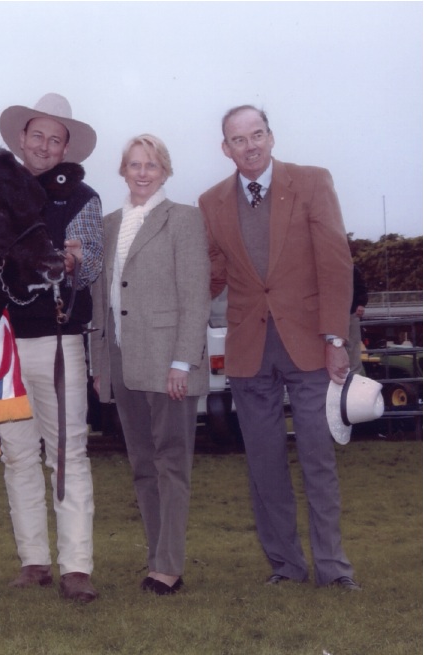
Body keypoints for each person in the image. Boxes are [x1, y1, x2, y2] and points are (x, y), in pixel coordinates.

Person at [199, 105, 359, 590]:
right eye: (238, 140)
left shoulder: (311, 182)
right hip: (249, 353)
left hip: (311, 345)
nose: (250, 146)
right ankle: (286, 567)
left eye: (257, 134)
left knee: (318, 459)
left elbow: (335, 264)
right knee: (264, 466)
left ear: (271, 136)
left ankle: (333, 569)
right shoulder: (210, 203)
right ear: (225, 149)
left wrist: (335, 338)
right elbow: (211, 276)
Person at [90, 134, 210, 595]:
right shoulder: (108, 224)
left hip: (168, 363)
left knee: (171, 464)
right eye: (134, 164)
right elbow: (103, 300)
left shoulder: (184, 220)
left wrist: (183, 361)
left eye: (151, 165)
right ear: (123, 170)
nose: (142, 172)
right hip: (123, 359)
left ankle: (168, 566)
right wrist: (102, 362)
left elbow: (195, 297)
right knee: (142, 464)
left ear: (165, 171)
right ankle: (156, 555)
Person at [0, 93, 102, 603]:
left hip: (59, 341)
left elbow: (93, 264)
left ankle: (76, 567)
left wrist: (78, 262)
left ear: (65, 148)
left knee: (69, 454)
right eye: (36, 135)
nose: (43, 144)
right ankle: (33, 560)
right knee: (16, 457)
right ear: (21, 140)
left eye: (54, 138)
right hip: (5, 348)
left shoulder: (82, 199)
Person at [348, 266, 368, 375]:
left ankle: (353, 377)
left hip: (351, 312)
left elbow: (361, 288)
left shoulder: (352, 269)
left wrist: (361, 304)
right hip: (331, 313)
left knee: (354, 346)